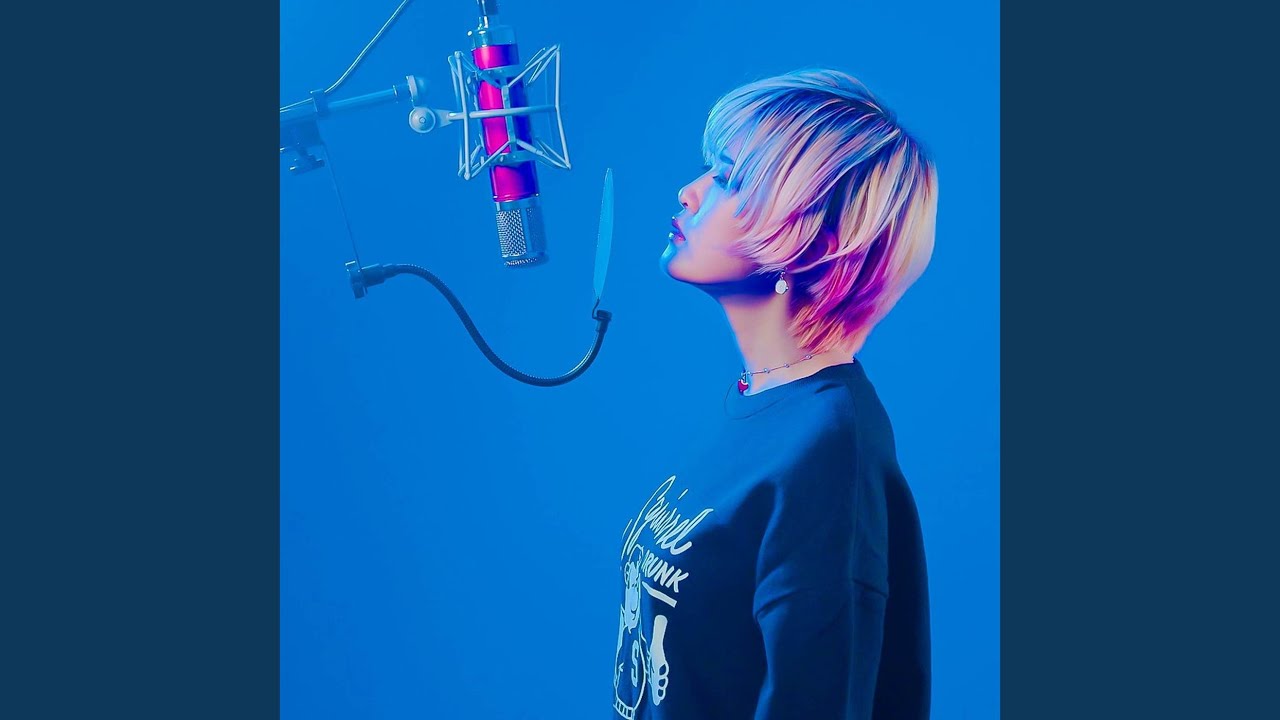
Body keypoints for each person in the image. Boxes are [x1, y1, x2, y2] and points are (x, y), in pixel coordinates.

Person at [612, 68, 938, 719]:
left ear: (809, 237)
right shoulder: (757, 406)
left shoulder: (827, 452)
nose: (689, 192)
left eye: (728, 178)